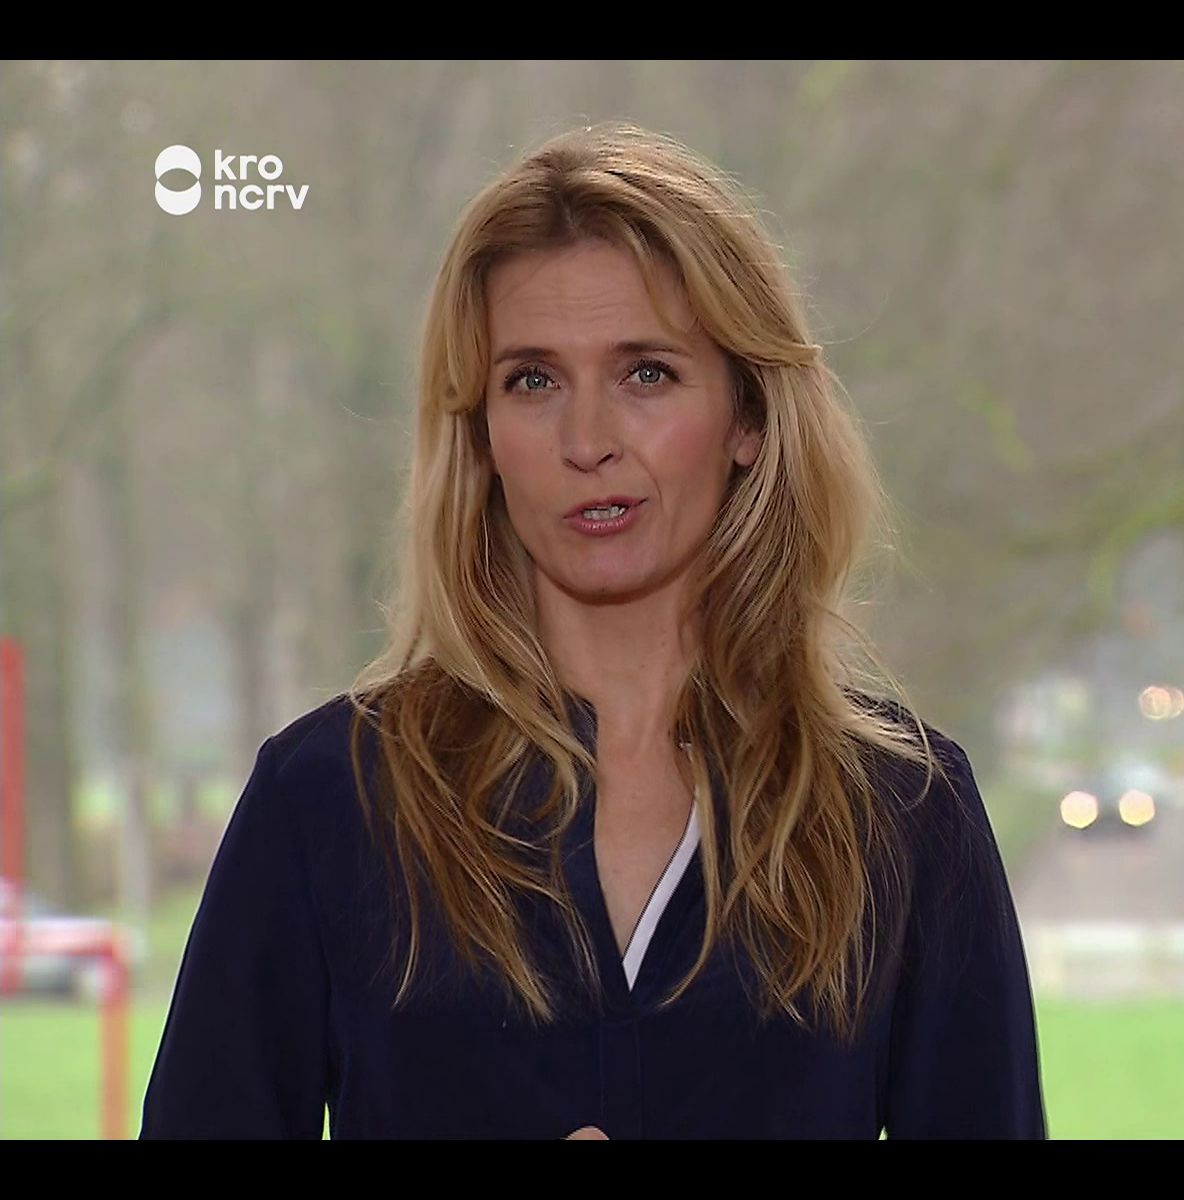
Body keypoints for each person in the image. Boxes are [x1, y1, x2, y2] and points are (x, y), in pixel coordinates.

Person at [140, 123, 1047, 1140]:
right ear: (482, 437)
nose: (587, 442)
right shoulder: (328, 801)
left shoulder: (906, 814)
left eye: (646, 373)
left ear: (748, 418)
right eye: (533, 380)